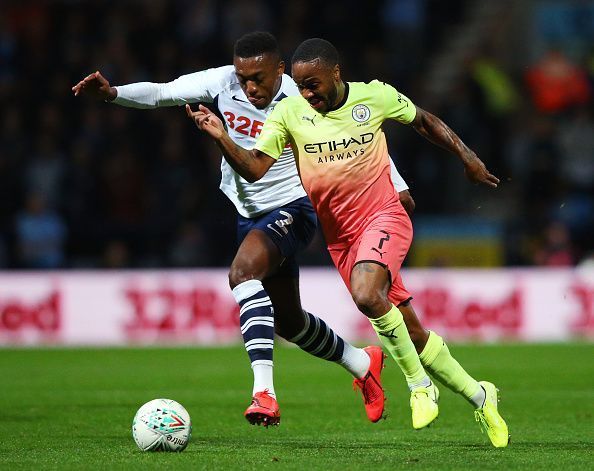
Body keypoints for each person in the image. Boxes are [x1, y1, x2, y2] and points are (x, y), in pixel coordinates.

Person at [72, 32, 407, 427]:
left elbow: (356, 140)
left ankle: (263, 393)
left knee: (241, 273)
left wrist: (398, 186)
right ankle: (362, 362)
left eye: (259, 78)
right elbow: (164, 92)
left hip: (294, 208)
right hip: (248, 213)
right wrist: (113, 93)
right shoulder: (223, 82)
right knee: (290, 323)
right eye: (243, 77)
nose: (250, 87)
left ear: (279, 71)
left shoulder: (304, 98)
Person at [188, 38, 509, 447]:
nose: (307, 94)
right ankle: (482, 397)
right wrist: (221, 136)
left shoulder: (374, 96)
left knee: (365, 293)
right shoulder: (289, 112)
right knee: (413, 333)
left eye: (314, 85)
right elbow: (254, 169)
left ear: (336, 74)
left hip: (384, 216)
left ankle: (419, 386)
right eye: (301, 86)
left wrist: (468, 157)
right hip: (343, 240)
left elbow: (424, 120)